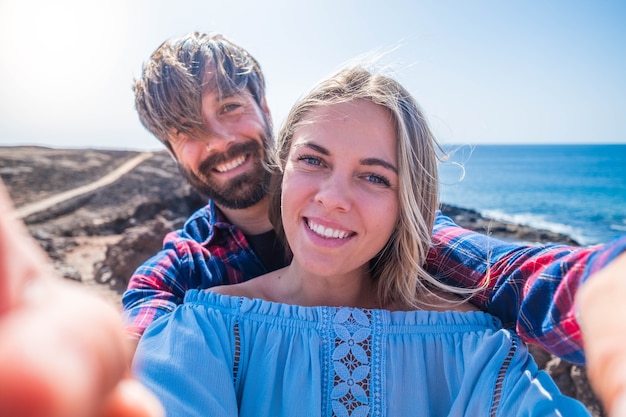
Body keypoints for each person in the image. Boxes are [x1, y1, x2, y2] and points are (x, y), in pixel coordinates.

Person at [124, 31, 624, 369]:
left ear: (264, 107)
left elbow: (518, 277)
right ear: (170, 150)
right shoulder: (187, 271)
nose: (218, 140)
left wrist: (608, 295)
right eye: (187, 130)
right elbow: (135, 350)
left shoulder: (381, 224)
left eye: (229, 107)